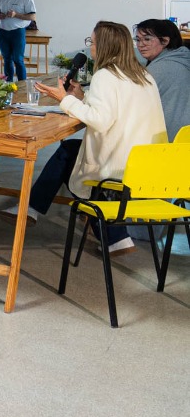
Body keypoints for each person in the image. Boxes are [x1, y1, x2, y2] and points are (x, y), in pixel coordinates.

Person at [17, 21, 167, 252]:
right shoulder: (142, 75)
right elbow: (115, 109)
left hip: (118, 165)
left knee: (69, 156)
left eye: (92, 42)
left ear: (104, 45)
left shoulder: (105, 75)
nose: (90, 47)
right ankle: (116, 238)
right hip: (145, 163)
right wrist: (81, 97)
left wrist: (64, 99)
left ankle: (31, 208)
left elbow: (100, 120)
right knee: (70, 153)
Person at [133, 19, 190, 138]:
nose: (141, 45)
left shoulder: (157, 70)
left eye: (147, 39)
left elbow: (133, 104)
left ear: (165, 41)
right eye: (138, 40)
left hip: (167, 140)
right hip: (183, 136)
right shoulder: (183, 59)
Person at [0, 0, 37, 82]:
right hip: (3, 32)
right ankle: (8, 83)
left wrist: (16, 15)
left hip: (17, 32)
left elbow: (32, 17)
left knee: (18, 59)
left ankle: (22, 84)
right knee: (7, 58)